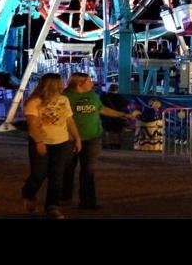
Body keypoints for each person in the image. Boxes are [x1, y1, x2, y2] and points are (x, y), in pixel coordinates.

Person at [60, 73, 135, 210]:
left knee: (88, 170)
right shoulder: (65, 97)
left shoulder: (93, 95)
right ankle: (65, 196)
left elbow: (101, 109)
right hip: (69, 139)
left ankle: (87, 201)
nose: (92, 83)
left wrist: (122, 114)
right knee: (67, 169)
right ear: (79, 84)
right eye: (88, 81)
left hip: (92, 138)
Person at [22, 73, 80, 218]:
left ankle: (52, 206)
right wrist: (39, 142)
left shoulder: (64, 100)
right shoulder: (34, 102)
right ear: (52, 85)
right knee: (38, 174)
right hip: (41, 142)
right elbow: (32, 124)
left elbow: (69, 120)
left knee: (57, 176)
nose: (62, 85)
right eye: (60, 83)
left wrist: (77, 138)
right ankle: (28, 193)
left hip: (61, 142)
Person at [99, 83, 130, 149]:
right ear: (117, 89)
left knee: (108, 131)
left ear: (109, 88)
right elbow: (127, 105)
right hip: (118, 116)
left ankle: (109, 144)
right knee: (118, 131)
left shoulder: (104, 97)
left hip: (107, 117)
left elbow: (100, 106)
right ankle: (118, 145)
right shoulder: (121, 97)